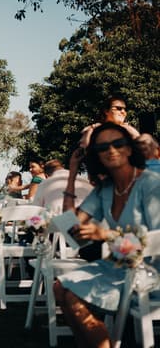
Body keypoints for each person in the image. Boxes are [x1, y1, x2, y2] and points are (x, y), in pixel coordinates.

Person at [53, 122, 160, 348]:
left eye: (118, 143)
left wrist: (106, 234)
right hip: (118, 267)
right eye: (103, 148)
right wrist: (71, 173)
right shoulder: (106, 188)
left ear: (130, 149)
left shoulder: (150, 184)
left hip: (149, 272)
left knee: (73, 297)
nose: (111, 150)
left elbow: (157, 239)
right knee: (59, 287)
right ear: (97, 156)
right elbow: (69, 224)